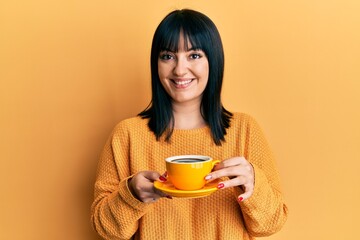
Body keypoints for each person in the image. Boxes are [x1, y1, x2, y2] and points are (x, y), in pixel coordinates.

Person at [91, 9, 288, 240]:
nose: (179, 69)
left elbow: (270, 224)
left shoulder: (245, 130)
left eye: (194, 55)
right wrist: (131, 194)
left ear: (213, 60)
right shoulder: (127, 135)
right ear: (156, 63)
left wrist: (253, 184)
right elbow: (106, 230)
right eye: (168, 56)